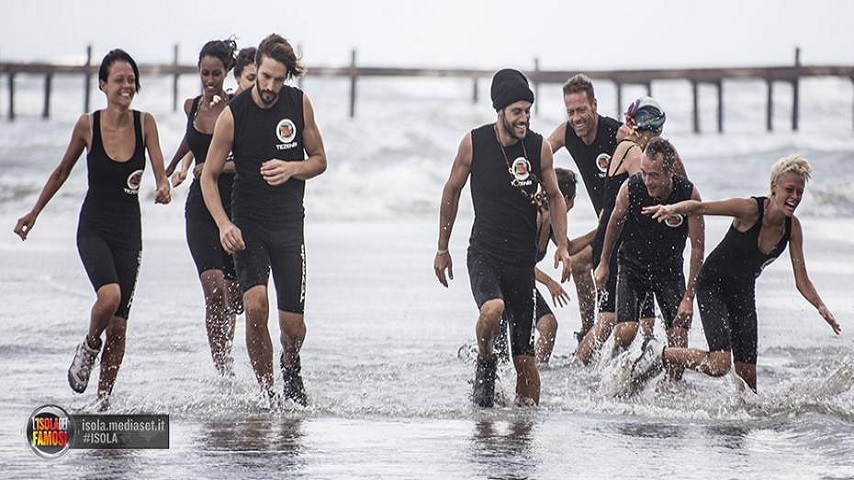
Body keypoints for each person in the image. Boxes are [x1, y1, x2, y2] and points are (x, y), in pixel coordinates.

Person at [13, 49, 171, 409]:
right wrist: (34, 213)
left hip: (130, 233)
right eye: (119, 79)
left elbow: (160, 169)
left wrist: (163, 185)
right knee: (109, 297)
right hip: (94, 227)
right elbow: (61, 172)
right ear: (103, 84)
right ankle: (88, 345)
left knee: (119, 326)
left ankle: (103, 402)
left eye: (131, 79)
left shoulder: (145, 123)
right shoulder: (88, 125)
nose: (126, 85)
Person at [635, 154, 841, 391]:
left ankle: (737, 427)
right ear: (774, 187)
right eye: (789, 189)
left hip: (743, 294)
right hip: (712, 285)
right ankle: (659, 354)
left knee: (748, 384)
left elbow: (802, 279)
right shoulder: (750, 209)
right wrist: (672, 207)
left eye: (800, 192)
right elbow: (701, 207)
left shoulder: (792, 228)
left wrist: (821, 306)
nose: (795, 197)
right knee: (719, 364)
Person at [200, 34, 327, 407]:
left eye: (278, 78)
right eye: (265, 77)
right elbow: (208, 176)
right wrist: (224, 224)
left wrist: (293, 168)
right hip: (248, 223)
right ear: (254, 73)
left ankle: (290, 363)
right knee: (255, 305)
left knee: (293, 327)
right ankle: (269, 393)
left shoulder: (299, 104)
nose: (270, 86)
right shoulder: (233, 115)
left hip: (288, 226)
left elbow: (320, 160)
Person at [434, 68, 572, 408]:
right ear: (500, 111)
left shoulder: (538, 148)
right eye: (517, 112)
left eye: (527, 110)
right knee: (493, 310)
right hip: (484, 253)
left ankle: (526, 424)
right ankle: (485, 357)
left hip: (521, 262)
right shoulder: (474, 143)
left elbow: (555, 197)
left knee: (524, 356)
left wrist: (564, 246)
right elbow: (452, 191)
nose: (524, 118)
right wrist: (442, 248)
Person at [574, 97, 681, 365]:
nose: (655, 138)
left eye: (659, 133)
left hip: (632, 249)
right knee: (609, 321)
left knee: (643, 323)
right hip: (611, 247)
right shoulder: (631, 151)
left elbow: (680, 182)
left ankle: (624, 370)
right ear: (638, 128)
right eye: (652, 132)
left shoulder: (643, 150)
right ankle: (580, 367)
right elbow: (648, 191)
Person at [593, 137, 704, 382]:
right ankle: (613, 375)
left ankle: (671, 387)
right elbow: (613, 223)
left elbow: (697, 249)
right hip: (632, 266)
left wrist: (689, 297)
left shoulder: (687, 194)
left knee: (679, 337)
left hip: (669, 270)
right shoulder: (631, 188)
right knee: (626, 332)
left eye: (653, 175)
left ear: (669, 173)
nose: (647, 181)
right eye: (644, 173)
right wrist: (603, 263)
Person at [164, 39, 242, 377]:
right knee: (213, 290)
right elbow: (190, 142)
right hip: (200, 208)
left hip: (234, 207)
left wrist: (215, 166)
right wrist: (172, 171)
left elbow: (247, 159)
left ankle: (230, 354)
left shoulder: (238, 108)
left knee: (234, 298)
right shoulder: (192, 106)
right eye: (204, 73)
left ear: (227, 73)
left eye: (216, 74)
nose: (209, 80)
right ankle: (223, 372)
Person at [546, 74, 615, 343]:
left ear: (594, 105)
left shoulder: (615, 133)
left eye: (581, 110)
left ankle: (595, 331)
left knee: (576, 260)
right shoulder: (566, 132)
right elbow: (542, 151)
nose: (576, 118)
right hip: (604, 223)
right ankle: (588, 328)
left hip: (622, 223)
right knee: (574, 260)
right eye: (571, 111)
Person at [530, 168, 595, 364]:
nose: (572, 206)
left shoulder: (550, 222)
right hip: (505, 277)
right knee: (546, 326)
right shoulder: (535, 216)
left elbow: (569, 247)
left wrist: (602, 230)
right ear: (564, 198)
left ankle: (537, 373)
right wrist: (550, 283)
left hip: (521, 280)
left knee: (549, 326)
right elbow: (519, 261)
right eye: (572, 200)